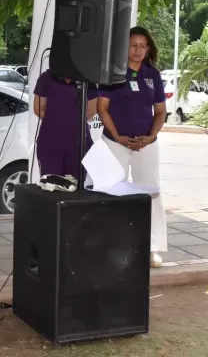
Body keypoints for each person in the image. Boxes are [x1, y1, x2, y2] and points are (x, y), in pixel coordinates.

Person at [96, 26, 167, 268]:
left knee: (151, 193)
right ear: (124, 47)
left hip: (146, 144)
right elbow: (102, 109)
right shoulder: (112, 73)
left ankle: (152, 248)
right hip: (114, 141)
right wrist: (117, 136)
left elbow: (160, 112)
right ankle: (109, 247)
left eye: (142, 46)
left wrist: (149, 136)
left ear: (148, 49)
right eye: (133, 45)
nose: (137, 50)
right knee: (111, 192)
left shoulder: (153, 75)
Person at [33, 69, 98, 181]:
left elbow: (91, 110)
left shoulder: (87, 78)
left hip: (79, 143)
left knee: (75, 187)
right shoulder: (47, 77)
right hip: (50, 142)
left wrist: (71, 121)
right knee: (51, 185)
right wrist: (58, 121)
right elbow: (39, 108)